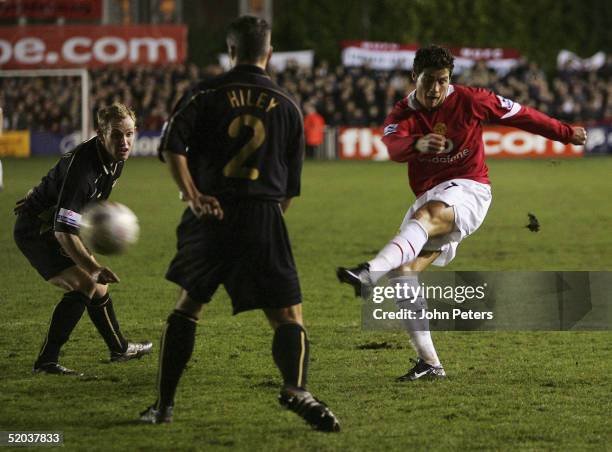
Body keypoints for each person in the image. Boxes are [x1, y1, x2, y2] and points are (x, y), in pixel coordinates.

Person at [337, 45, 587, 381]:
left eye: (442, 81)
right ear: (415, 77)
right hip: (431, 196)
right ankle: (430, 363)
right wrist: (417, 144)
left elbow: (522, 115)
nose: (436, 89)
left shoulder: (472, 99)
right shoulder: (401, 114)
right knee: (403, 273)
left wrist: (565, 132)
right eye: (429, 81)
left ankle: (368, 271)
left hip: (470, 190)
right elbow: (394, 146)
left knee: (424, 218)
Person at [139, 16, 340, 432]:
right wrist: (263, 222)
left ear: (230, 52)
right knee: (288, 316)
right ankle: (295, 388)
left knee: (189, 306)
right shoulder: (287, 104)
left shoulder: (205, 92)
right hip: (264, 214)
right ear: (268, 53)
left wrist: (194, 196)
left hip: (210, 212)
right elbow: (289, 189)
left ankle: (164, 406)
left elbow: (171, 148)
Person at [13, 103, 153, 376]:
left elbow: (66, 192)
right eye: (116, 135)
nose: (124, 142)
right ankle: (46, 361)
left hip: (56, 225)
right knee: (85, 281)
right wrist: (92, 266)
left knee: (98, 287)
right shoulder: (85, 169)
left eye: (129, 134)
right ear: (101, 135)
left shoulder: (115, 160)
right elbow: (62, 230)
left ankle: (120, 349)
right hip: (37, 231)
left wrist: (40, 193)